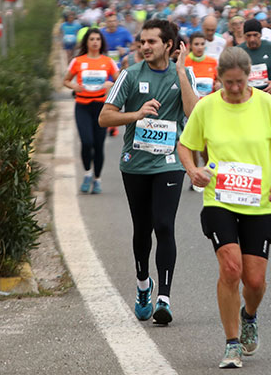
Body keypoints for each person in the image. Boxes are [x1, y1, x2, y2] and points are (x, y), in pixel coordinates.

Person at [177, 46, 271, 369]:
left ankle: (250, 315)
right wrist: (193, 170)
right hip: (219, 199)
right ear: (219, 78)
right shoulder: (207, 107)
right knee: (231, 269)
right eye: (228, 82)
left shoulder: (267, 105)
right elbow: (185, 146)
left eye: (239, 82)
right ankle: (232, 343)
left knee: (254, 281)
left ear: (248, 77)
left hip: (258, 203)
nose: (233, 88)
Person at [99, 19, 197, 326]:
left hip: (170, 162)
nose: (145, 46)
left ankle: (164, 298)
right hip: (136, 163)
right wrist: (136, 114)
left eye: (151, 41)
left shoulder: (184, 74)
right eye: (142, 41)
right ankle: (143, 285)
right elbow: (105, 117)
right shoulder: (130, 75)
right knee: (142, 229)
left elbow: (194, 114)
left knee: (164, 225)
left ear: (169, 45)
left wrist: (181, 72)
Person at [64, 28, 118, 194]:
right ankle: (87, 173)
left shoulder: (108, 61)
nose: (95, 42)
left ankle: (97, 179)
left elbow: (121, 81)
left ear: (101, 42)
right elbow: (66, 80)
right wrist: (74, 86)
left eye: (98, 39)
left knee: (98, 144)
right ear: (86, 42)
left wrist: (110, 84)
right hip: (83, 106)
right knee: (87, 142)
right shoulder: (78, 61)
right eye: (92, 39)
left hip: (101, 108)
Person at [239, 18, 271, 95]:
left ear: (261, 34)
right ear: (244, 36)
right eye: (248, 36)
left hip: (267, 95)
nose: (252, 39)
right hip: (245, 96)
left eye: (255, 35)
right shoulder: (238, 51)